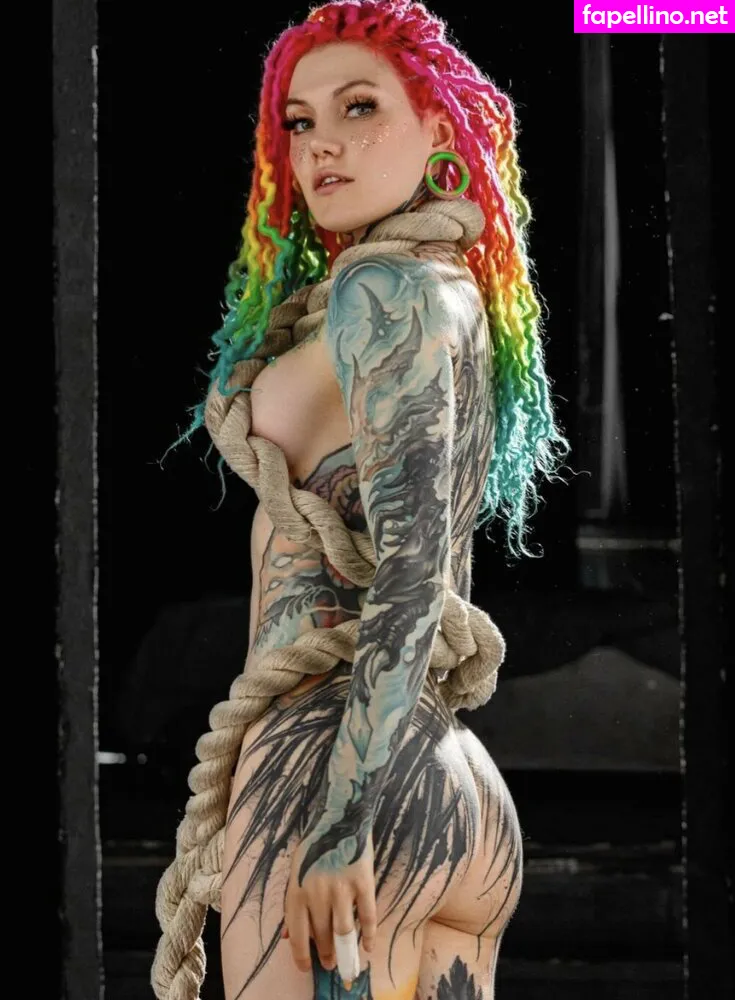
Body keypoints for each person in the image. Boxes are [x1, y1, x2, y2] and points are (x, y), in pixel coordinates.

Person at [152, 2, 569, 998]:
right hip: (454, 788)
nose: (321, 143)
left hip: (330, 769)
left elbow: (412, 568)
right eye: (299, 121)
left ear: (440, 129)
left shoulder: (380, 293)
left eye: (359, 107)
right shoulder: (445, 288)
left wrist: (343, 823)